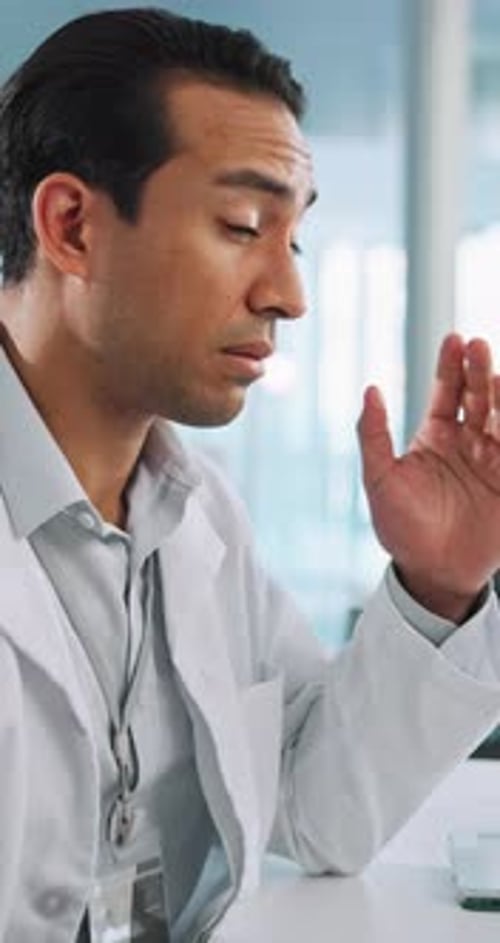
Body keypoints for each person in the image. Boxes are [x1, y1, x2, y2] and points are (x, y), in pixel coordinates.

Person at [0, 7, 500, 942]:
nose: (289, 294)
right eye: (241, 225)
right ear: (70, 226)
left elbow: (318, 810)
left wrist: (439, 586)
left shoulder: (196, 516)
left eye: (294, 240)